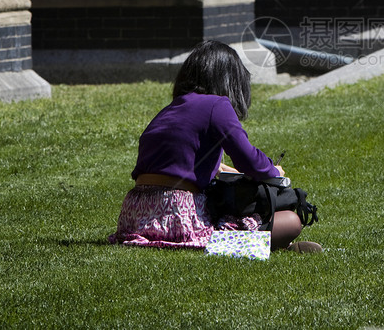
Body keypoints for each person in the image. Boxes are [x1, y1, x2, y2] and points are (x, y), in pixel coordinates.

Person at [108, 40, 321, 253]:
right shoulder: (217, 104)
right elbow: (249, 160)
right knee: (291, 221)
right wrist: (274, 170)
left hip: (134, 215)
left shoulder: (171, 109)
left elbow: (184, 162)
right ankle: (265, 243)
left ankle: (273, 243)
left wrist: (226, 169)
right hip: (175, 212)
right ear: (229, 79)